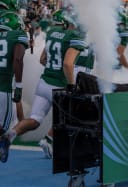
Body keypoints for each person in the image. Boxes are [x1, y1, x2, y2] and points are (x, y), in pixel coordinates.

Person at [0, 9, 88, 161]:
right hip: (58, 86)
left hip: (43, 83)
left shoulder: (53, 33)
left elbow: (42, 59)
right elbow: (68, 64)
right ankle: (50, 140)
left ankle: (10, 135)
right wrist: (71, 84)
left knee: (34, 120)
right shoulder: (74, 37)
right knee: (70, 117)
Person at [0, 12, 28, 163]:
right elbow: (17, 59)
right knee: (3, 128)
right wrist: (19, 86)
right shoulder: (17, 35)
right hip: (3, 87)